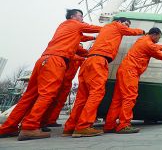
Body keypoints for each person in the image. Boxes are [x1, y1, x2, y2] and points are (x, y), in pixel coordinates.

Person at [0, 9, 101, 141]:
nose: (83, 18)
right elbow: (92, 28)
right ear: (72, 17)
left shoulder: (66, 29)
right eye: (80, 16)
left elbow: (84, 37)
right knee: (47, 95)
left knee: (29, 97)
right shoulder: (74, 24)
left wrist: (94, 38)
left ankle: (8, 127)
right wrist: (111, 28)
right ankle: (30, 127)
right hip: (55, 61)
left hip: (43, 60)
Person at [63, 17, 145, 138]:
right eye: (126, 24)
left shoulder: (106, 29)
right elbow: (131, 32)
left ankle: (70, 127)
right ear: (120, 22)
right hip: (99, 61)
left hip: (88, 61)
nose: (126, 26)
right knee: (96, 93)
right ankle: (83, 126)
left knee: (82, 97)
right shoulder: (116, 25)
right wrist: (143, 32)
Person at [103, 27, 162, 134]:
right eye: (159, 37)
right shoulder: (148, 44)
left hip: (123, 70)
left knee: (117, 99)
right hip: (131, 72)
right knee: (130, 97)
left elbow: (155, 47)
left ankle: (109, 125)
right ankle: (124, 125)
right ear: (154, 35)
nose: (159, 39)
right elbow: (157, 53)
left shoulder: (142, 39)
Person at [41, 38, 94, 128]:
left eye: (81, 47)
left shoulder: (80, 59)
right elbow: (70, 56)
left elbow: (85, 66)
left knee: (60, 101)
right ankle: (42, 120)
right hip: (59, 78)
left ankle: (51, 120)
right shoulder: (69, 54)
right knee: (50, 98)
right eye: (78, 47)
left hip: (67, 82)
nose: (79, 49)